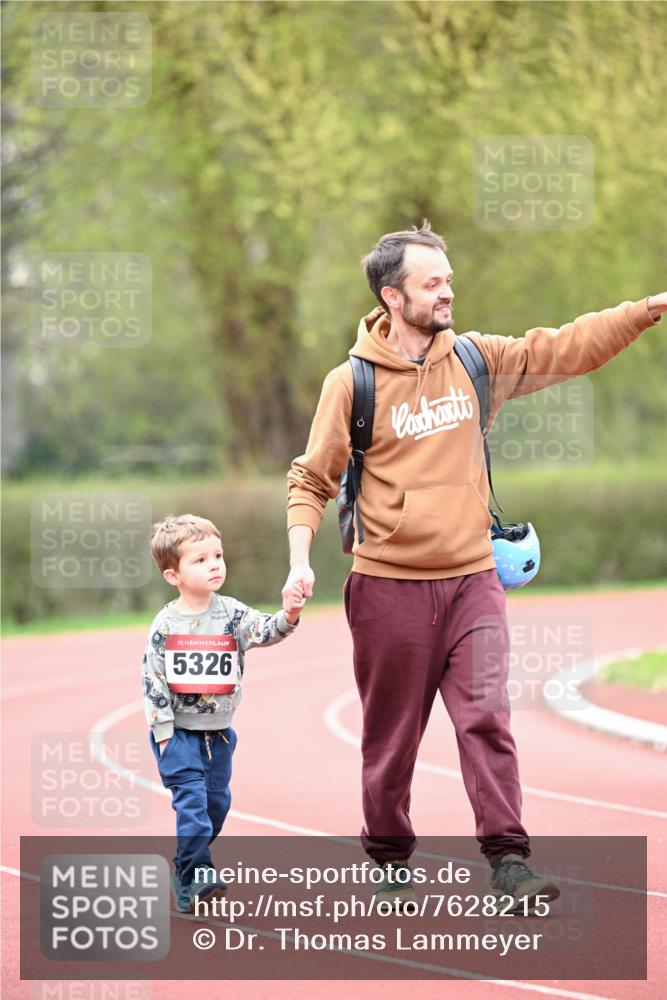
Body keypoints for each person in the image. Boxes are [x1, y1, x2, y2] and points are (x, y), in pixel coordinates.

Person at [284, 220, 666, 910]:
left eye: (448, 280)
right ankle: (389, 860)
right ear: (391, 296)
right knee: (390, 740)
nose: (447, 293)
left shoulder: (475, 361)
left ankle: (508, 862)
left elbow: (562, 348)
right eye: (432, 284)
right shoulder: (351, 384)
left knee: (486, 718)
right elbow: (310, 480)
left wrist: (643, 311)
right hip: (387, 589)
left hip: (472, 583)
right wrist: (297, 562)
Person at [143, 513, 305, 913]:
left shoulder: (231, 613)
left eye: (217, 555)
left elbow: (265, 631)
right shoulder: (165, 625)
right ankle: (199, 874)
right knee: (193, 807)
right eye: (200, 560)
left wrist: (290, 615)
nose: (214, 563)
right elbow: (153, 678)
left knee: (216, 808)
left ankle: (184, 869)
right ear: (172, 575)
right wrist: (163, 732)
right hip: (178, 733)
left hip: (219, 734)